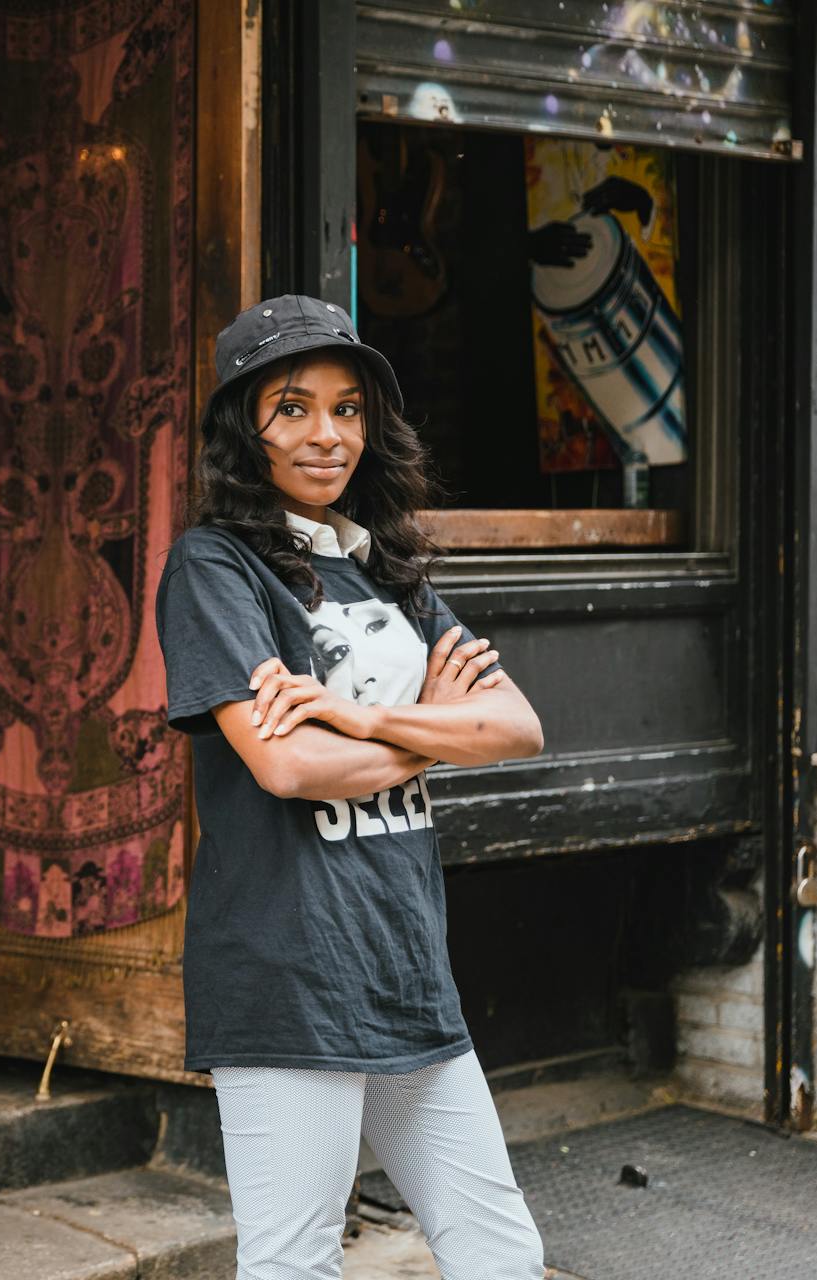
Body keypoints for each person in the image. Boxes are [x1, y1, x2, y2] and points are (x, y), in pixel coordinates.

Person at [154, 294, 548, 1278]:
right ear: (245, 430)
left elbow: (517, 725)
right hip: (288, 970)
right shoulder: (215, 567)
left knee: (501, 1247)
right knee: (296, 1262)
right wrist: (436, 736)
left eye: (349, 408)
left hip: (405, 961)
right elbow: (285, 764)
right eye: (293, 408)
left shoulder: (387, 567)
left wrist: (366, 719)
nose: (327, 434)